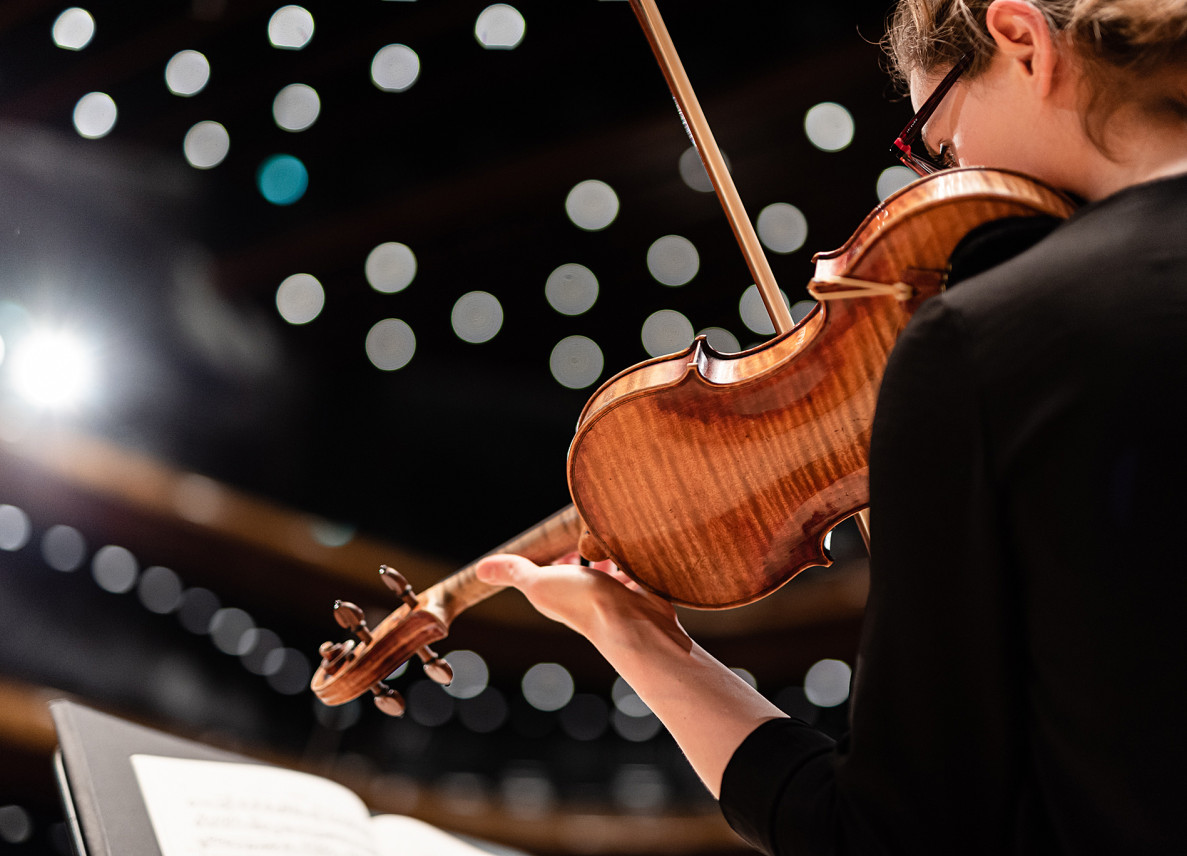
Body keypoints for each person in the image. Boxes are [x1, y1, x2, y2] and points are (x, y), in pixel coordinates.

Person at [476, 1, 1187, 852]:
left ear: (1022, 42)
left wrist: (635, 640)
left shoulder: (986, 342)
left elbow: (888, 837)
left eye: (938, 139)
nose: (939, 176)